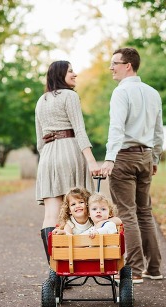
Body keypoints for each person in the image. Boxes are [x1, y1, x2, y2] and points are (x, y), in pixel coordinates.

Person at [99, 47, 164, 283]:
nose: (111, 68)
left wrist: (109, 158)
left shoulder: (121, 92)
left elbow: (116, 128)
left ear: (128, 65)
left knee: (127, 213)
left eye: (114, 63)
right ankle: (154, 268)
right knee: (144, 212)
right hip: (146, 156)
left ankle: (135, 270)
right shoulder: (152, 93)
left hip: (125, 157)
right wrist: (155, 157)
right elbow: (158, 131)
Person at [35, 60, 100, 263]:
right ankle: (79, 261)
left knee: (51, 215)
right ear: (60, 74)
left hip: (47, 156)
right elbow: (79, 130)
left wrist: (48, 156)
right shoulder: (70, 96)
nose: (75, 74)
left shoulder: (41, 100)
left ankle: (56, 267)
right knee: (78, 207)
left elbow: (39, 141)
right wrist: (91, 161)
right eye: (70, 71)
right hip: (69, 151)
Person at [57, 188, 122, 236]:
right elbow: (68, 240)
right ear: (69, 210)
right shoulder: (70, 224)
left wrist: (102, 222)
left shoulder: (94, 218)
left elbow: (118, 220)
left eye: (81, 202)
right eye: (73, 204)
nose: (77, 206)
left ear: (88, 205)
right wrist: (64, 233)